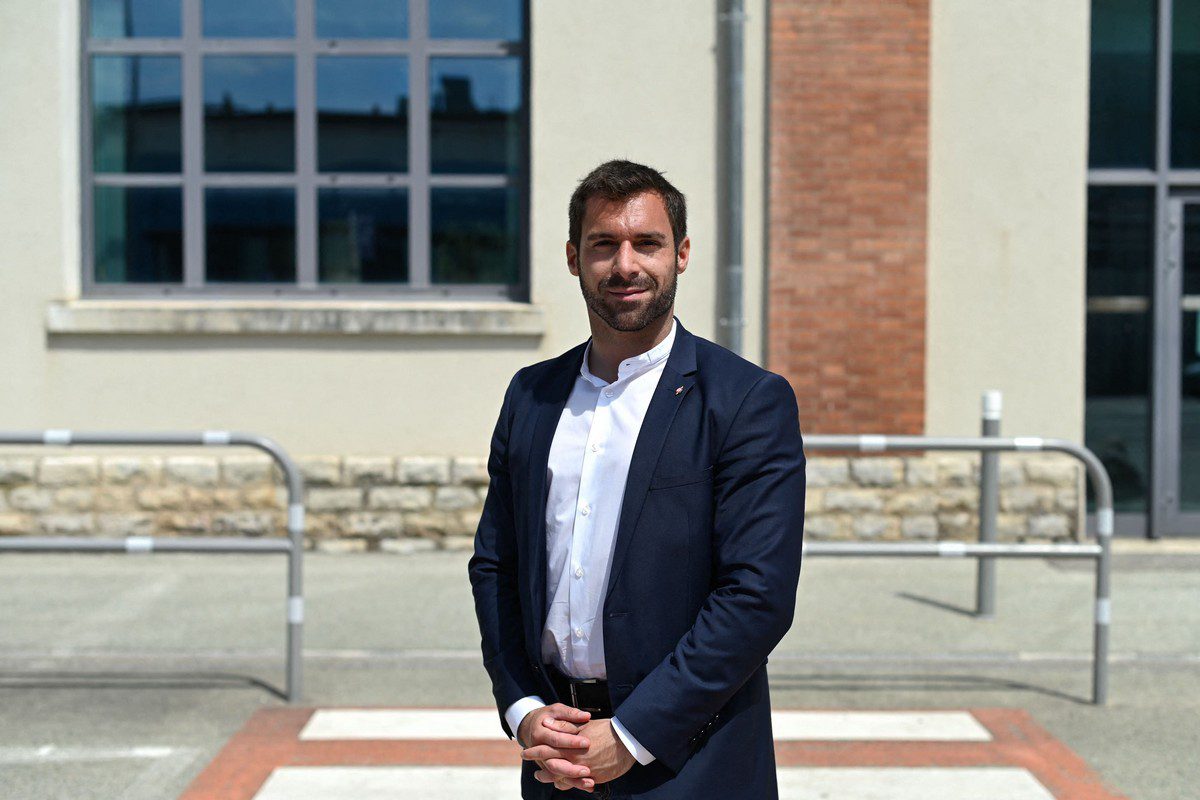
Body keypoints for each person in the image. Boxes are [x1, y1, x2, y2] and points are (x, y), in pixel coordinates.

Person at [468, 159, 806, 799]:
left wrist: (630, 735)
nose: (625, 266)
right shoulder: (531, 396)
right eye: (604, 245)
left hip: (691, 760)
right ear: (574, 257)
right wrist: (522, 709)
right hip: (557, 756)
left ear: (681, 253)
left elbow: (756, 596)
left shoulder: (744, 401)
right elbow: (496, 565)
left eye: (646, 243)